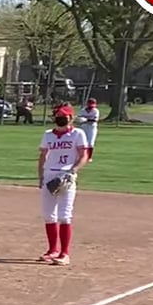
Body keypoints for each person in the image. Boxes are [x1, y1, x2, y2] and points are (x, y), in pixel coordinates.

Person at [37, 103, 91, 265]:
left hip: (66, 175)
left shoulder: (77, 134)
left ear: (71, 117)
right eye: (58, 116)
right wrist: (41, 176)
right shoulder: (48, 135)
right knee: (48, 215)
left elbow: (84, 156)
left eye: (64, 116)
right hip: (49, 175)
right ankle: (52, 250)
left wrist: (73, 171)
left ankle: (64, 253)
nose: (60, 119)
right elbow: (43, 156)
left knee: (64, 215)